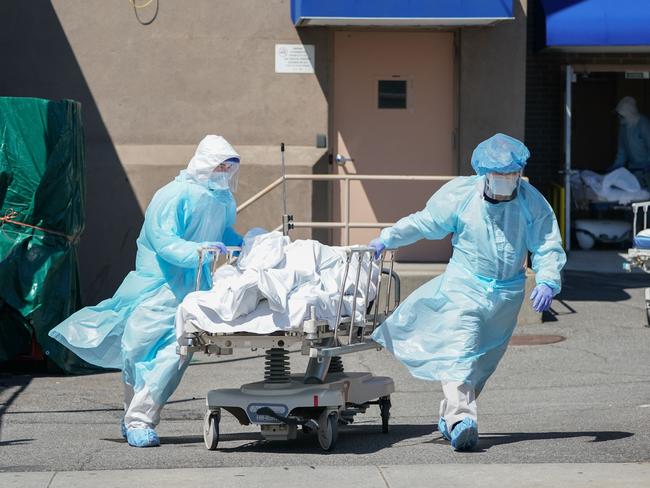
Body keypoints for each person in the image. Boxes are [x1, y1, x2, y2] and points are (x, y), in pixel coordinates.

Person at [368, 133, 566, 451]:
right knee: (462, 351)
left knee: (483, 363)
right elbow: (427, 222)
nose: (505, 181)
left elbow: (546, 244)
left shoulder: (531, 201)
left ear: (519, 174)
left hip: (507, 295)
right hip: (466, 286)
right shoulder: (462, 195)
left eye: (510, 175)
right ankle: (463, 419)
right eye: (498, 175)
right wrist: (388, 238)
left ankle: (450, 418)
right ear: (483, 173)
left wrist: (547, 279)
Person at [49, 135, 244, 447]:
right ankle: (133, 416)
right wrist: (198, 251)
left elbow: (224, 233)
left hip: (193, 292)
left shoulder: (222, 201)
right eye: (219, 164)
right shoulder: (174, 195)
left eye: (229, 166)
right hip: (158, 288)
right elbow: (163, 240)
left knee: (174, 356)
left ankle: (140, 419)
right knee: (137, 352)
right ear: (206, 162)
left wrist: (242, 242)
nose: (224, 172)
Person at [610, 96, 650, 188]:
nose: (619, 118)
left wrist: (648, 163)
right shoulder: (623, 127)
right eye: (619, 115)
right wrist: (617, 166)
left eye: (621, 115)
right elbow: (622, 151)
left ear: (629, 113)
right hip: (634, 169)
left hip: (647, 169)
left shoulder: (643, 124)